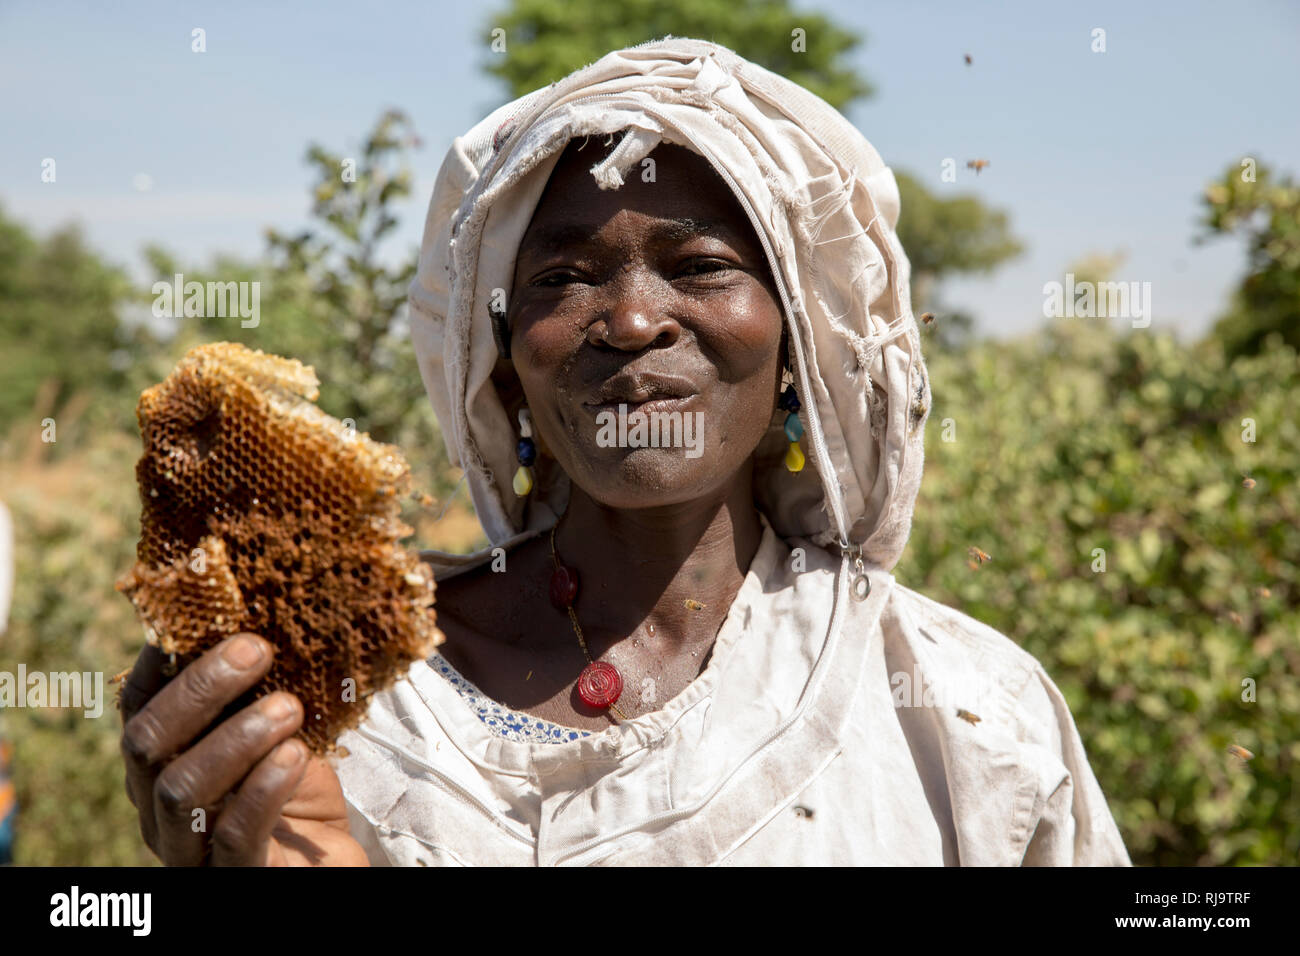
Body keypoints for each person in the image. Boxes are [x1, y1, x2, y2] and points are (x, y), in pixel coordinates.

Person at [119, 37, 1129, 866]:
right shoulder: (347, 701)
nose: (635, 317)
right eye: (562, 276)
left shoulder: (963, 714)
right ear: (501, 361)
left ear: (799, 352)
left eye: (702, 265)